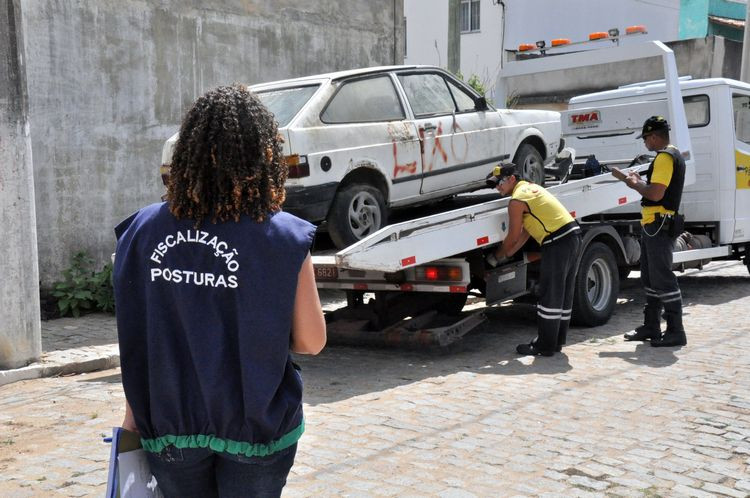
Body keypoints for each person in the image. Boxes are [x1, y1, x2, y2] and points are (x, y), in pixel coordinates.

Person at [113, 84, 327, 498]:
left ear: (187, 151)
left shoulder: (139, 231)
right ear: (263, 156)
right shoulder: (283, 236)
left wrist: (132, 414)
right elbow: (311, 341)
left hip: (169, 426)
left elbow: (138, 334)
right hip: (257, 428)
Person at [486, 163, 582, 356]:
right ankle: (556, 341)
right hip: (572, 236)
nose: (498, 188)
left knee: (550, 294)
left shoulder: (516, 200)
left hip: (557, 242)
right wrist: (511, 253)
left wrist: (496, 257)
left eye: (500, 183)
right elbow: (526, 232)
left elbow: (512, 235)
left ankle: (544, 345)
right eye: (495, 185)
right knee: (562, 293)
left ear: (512, 178)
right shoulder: (532, 188)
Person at [617, 115, 687, 347]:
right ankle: (651, 326)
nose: (645, 143)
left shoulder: (665, 157)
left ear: (655, 136)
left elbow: (656, 194)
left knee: (662, 277)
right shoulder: (670, 154)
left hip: (659, 224)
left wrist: (635, 184)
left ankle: (676, 330)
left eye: (646, 138)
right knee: (650, 277)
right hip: (654, 224)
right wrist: (640, 181)